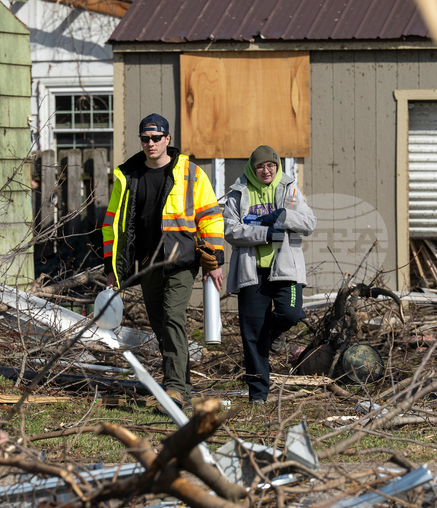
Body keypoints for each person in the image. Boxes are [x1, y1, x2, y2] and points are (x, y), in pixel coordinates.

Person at [102, 113, 224, 409]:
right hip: (147, 262)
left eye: (157, 138)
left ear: (168, 139)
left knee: (172, 318)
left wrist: (213, 260)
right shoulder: (128, 176)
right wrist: (111, 267)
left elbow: (209, 216)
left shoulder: (190, 173)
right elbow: (111, 225)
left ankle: (173, 389)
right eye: (145, 139)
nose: (151, 143)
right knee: (161, 325)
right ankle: (184, 389)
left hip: (181, 260)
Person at [224, 145, 317, 404]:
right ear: (252, 169)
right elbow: (230, 230)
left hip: (285, 269)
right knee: (253, 334)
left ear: (277, 166)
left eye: (271, 166)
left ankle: (273, 333)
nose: (266, 171)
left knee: (292, 314)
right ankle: (258, 395)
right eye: (260, 167)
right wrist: (264, 233)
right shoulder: (238, 193)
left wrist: (285, 216)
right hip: (251, 272)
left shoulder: (290, 190)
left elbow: (310, 223)